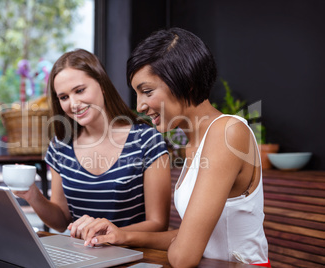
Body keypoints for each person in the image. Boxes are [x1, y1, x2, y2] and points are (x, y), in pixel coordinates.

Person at [80, 28, 270, 267]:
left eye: (147, 91)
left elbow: (183, 256)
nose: (139, 106)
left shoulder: (227, 133)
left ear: (186, 83)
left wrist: (180, 246)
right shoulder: (193, 143)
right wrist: (121, 236)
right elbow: (191, 239)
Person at [14, 49, 172, 238]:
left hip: (135, 256)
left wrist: (108, 233)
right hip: (83, 257)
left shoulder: (146, 140)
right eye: (64, 97)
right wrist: (32, 195)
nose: (73, 103)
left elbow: (158, 224)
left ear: (102, 85)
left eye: (80, 90)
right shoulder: (60, 147)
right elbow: (61, 222)